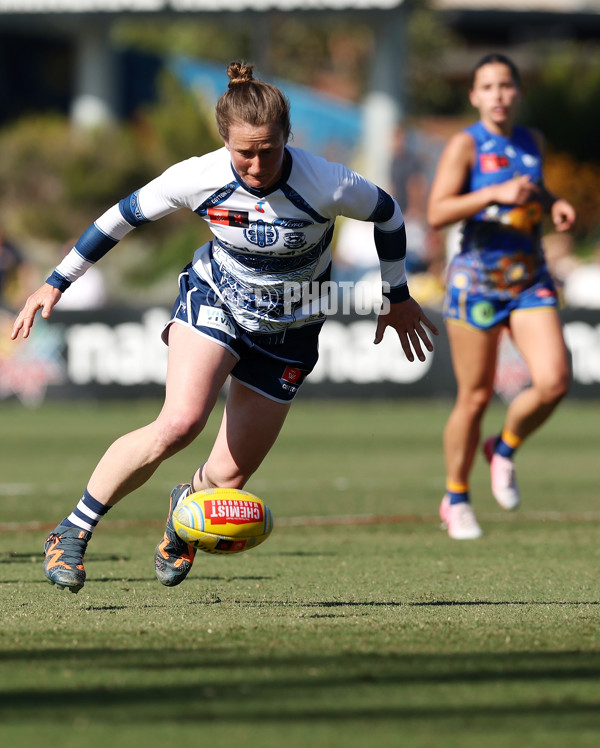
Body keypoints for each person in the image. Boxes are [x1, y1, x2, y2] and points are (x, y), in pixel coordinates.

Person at [12, 61, 437, 592]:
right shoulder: (199, 176)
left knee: (227, 480)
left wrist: (397, 294)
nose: (256, 164)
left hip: (294, 324)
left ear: (288, 138)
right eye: (244, 152)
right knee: (181, 422)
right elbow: (118, 218)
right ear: (225, 142)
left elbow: (390, 214)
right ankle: (72, 531)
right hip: (216, 300)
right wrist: (56, 281)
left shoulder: (326, 181)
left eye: (268, 149)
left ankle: (182, 510)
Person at [427, 53, 576, 540]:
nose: (498, 95)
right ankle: (456, 497)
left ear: (518, 92)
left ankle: (504, 448)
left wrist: (555, 204)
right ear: (473, 96)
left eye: (506, 85)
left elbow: (533, 190)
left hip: (530, 277)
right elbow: (437, 212)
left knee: (554, 381)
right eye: (487, 87)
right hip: (478, 283)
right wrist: (493, 196)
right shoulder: (465, 146)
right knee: (474, 396)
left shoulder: (531, 140)